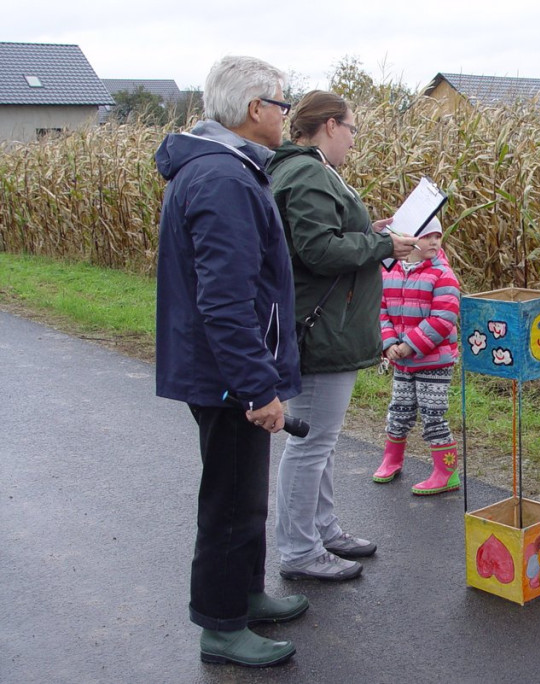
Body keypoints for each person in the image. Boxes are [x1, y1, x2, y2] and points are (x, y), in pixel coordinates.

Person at [155, 55, 307, 667]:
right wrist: (256, 388)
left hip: (226, 370)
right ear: (254, 108)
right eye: (282, 104)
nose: (285, 115)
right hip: (227, 376)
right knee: (230, 500)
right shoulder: (223, 178)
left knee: (245, 493)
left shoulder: (225, 168)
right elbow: (224, 300)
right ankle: (221, 625)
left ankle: (244, 594)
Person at [268, 90, 419, 581]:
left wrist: (371, 232)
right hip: (323, 327)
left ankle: (323, 530)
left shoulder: (304, 170)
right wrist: (382, 244)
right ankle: (300, 550)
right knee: (311, 444)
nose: (354, 141)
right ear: (330, 125)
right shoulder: (307, 172)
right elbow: (317, 249)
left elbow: (323, 235)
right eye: (352, 129)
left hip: (325, 323)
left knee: (321, 441)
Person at [373, 218, 462, 494]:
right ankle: (392, 458)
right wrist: (389, 343)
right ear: (408, 238)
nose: (434, 242)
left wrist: (411, 345)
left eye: (438, 236)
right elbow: (381, 310)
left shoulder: (442, 275)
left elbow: (443, 318)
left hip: (434, 361)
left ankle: (446, 472)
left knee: (432, 413)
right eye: (426, 236)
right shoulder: (389, 271)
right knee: (399, 409)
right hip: (402, 359)